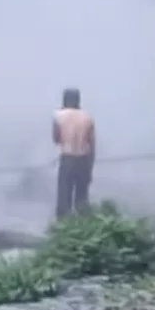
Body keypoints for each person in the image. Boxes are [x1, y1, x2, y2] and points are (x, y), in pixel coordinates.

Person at [52, 88, 95, 217]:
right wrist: (90, 168)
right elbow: (92, 145)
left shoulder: (58, 116)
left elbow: (56, 139)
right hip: (83, 160)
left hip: (67, 158)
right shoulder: (87, 117)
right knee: (82, 199)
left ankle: (64, 224)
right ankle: (82, 224)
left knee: (64, 198)